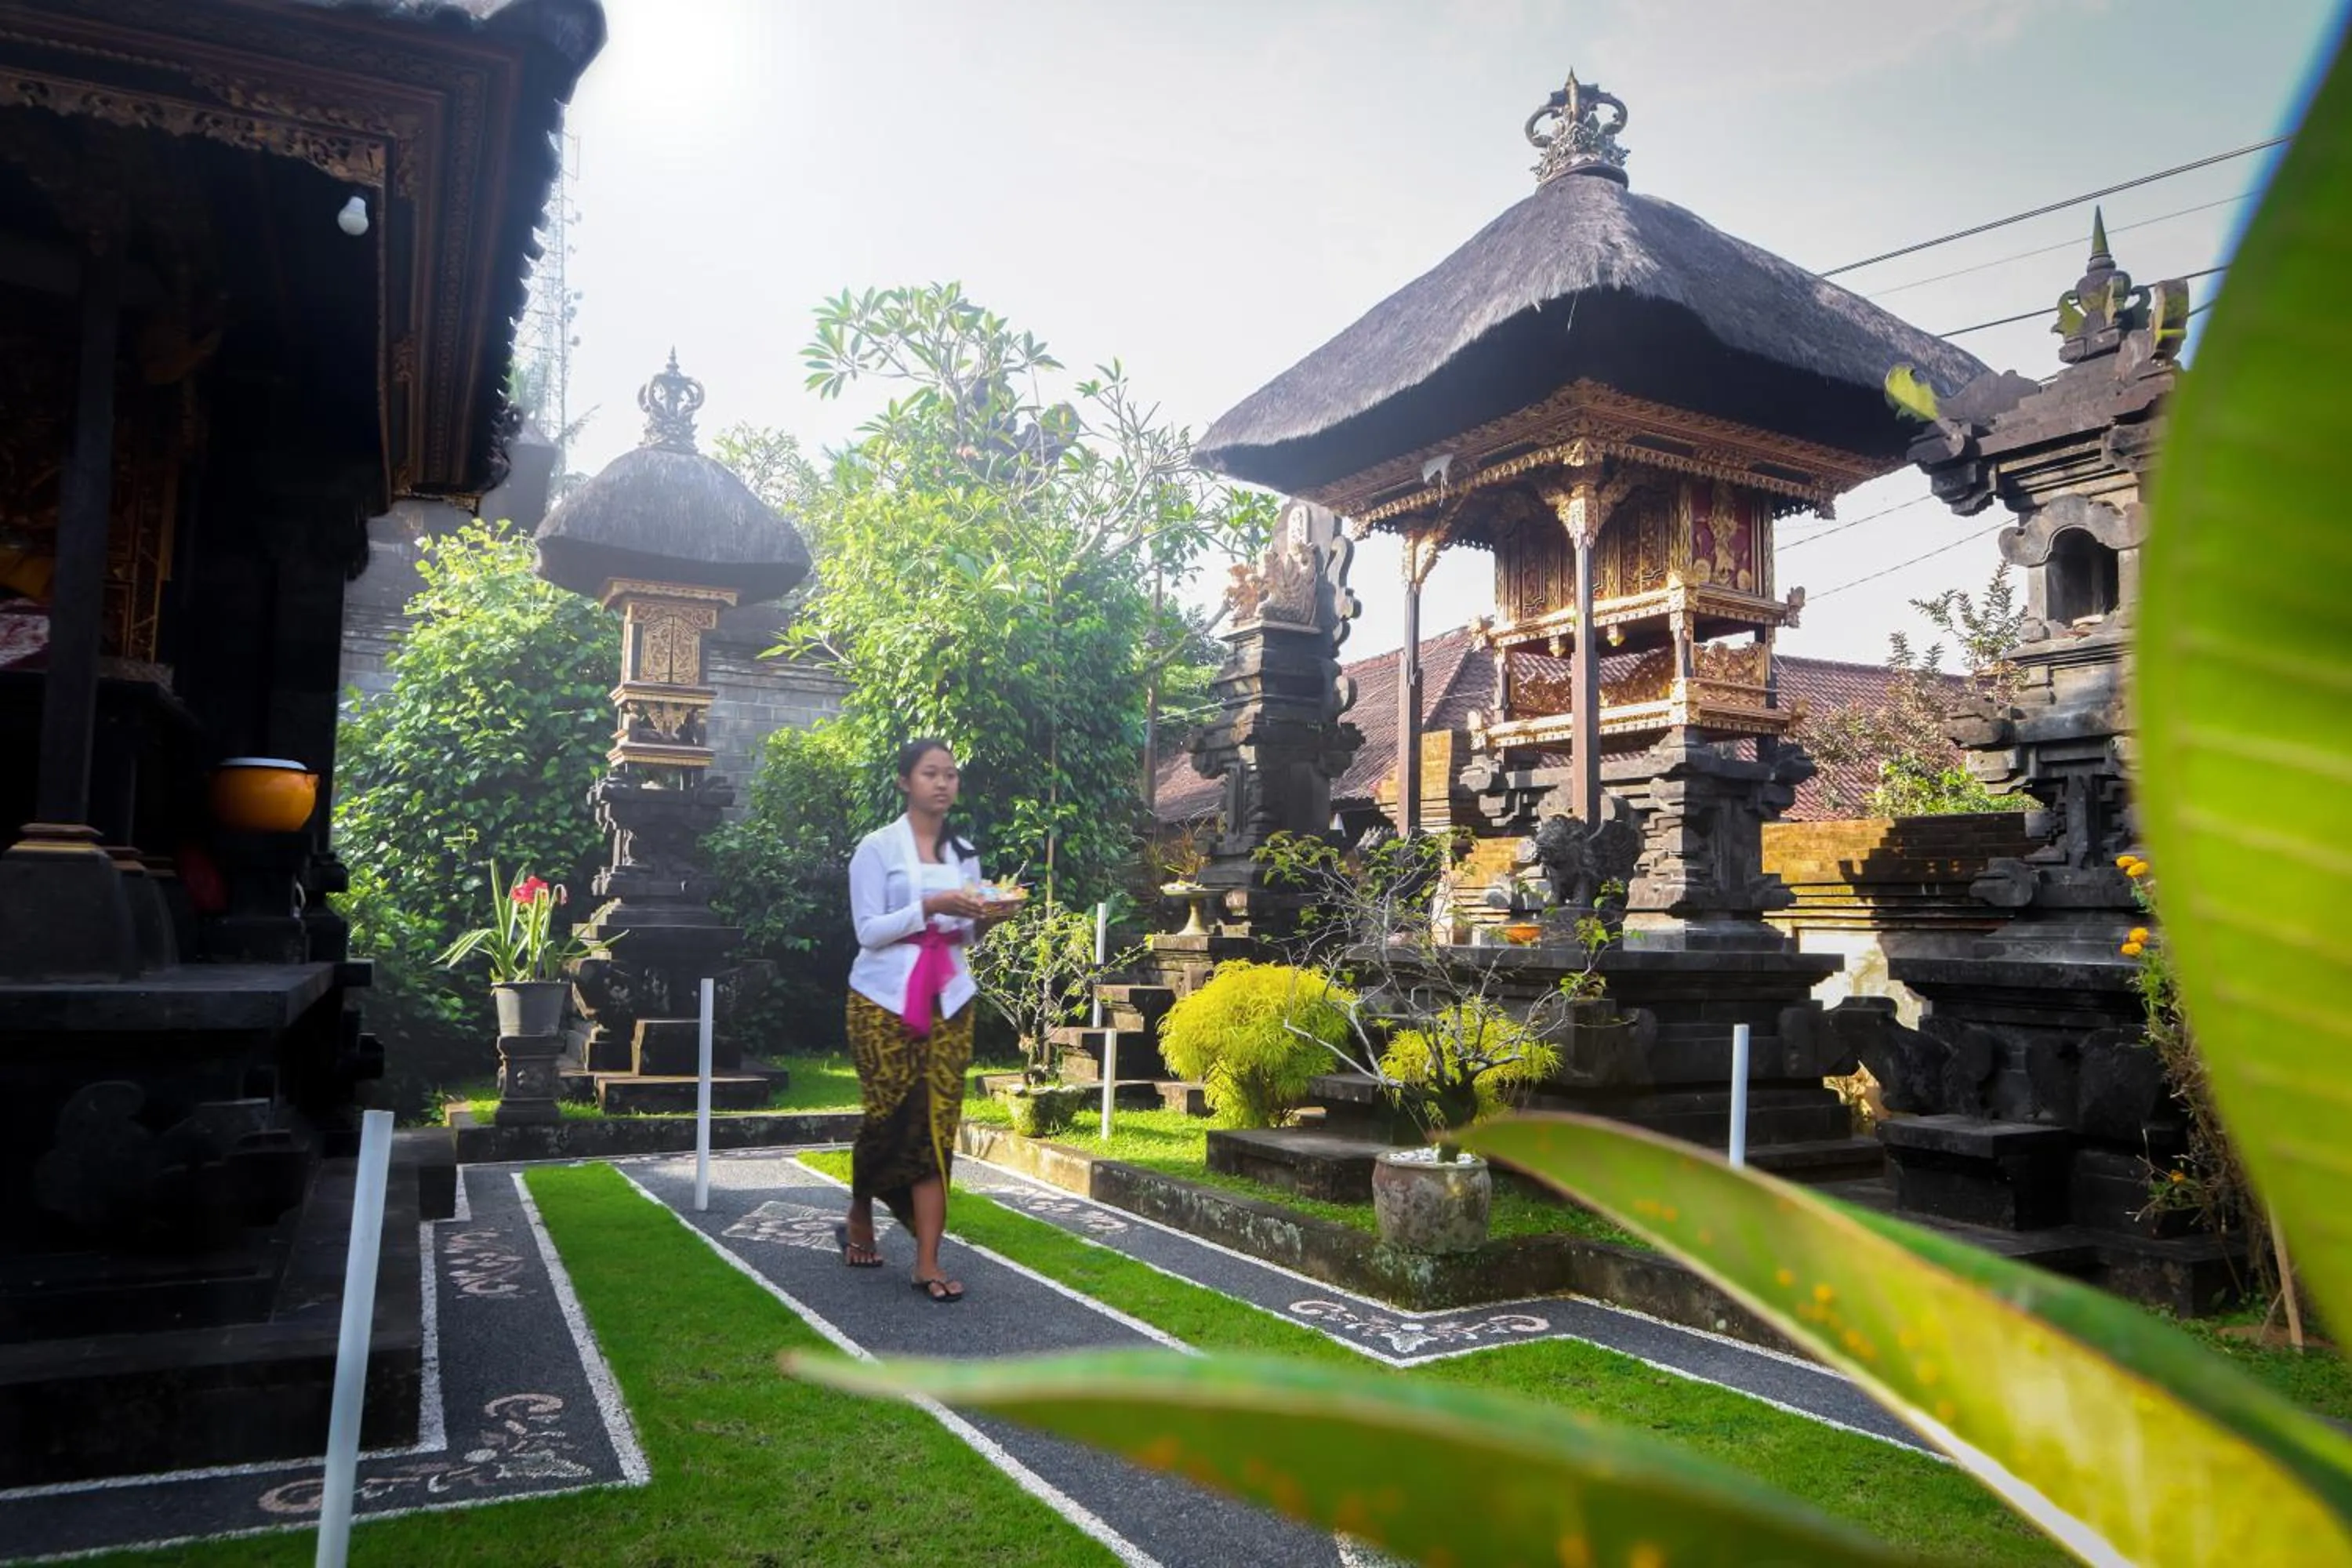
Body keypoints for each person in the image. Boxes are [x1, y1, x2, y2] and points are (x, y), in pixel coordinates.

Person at [838, 738, 1012, 1301]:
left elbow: (968, 936)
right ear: (904, 782)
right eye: (930, 773)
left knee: (937, 1127)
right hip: (881, 999)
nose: (942, 783)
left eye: (951, 775)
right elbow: (868, 931)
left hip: (950, 1000)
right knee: (887, 1118)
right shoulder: (877, 848)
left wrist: (989, 917)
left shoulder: (963, 853)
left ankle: (928, 1261)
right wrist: (930, 908)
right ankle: (861, 1208)